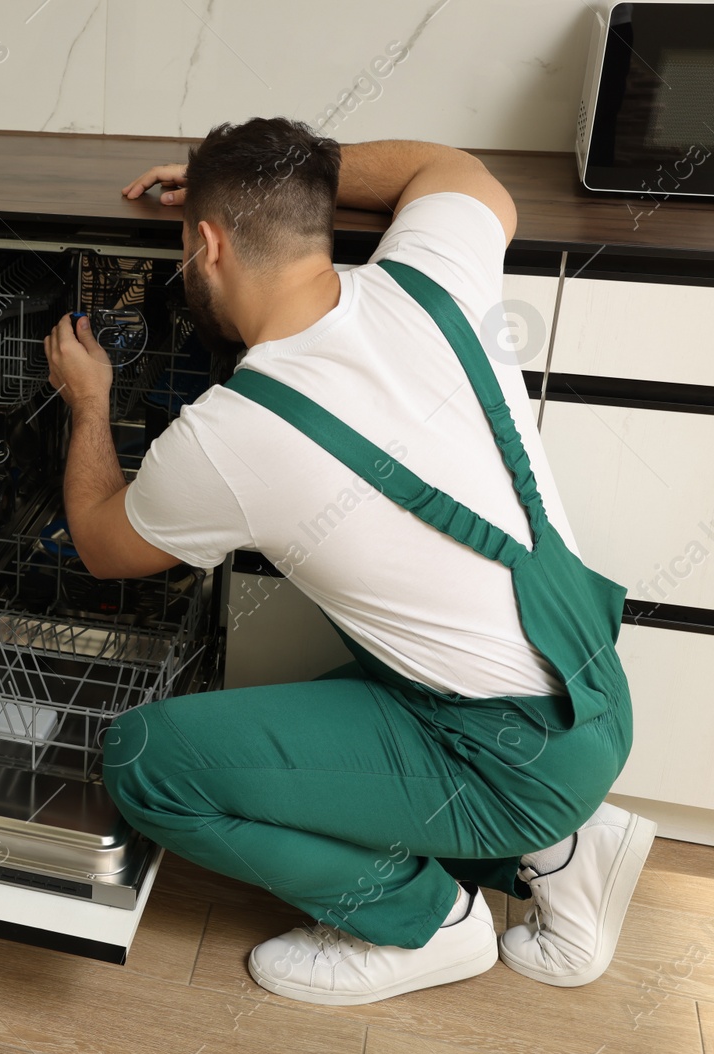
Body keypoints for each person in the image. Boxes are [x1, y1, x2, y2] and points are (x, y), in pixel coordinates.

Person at [43, 117, 654, 1005]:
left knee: (147, 761)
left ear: (206, 244)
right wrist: (263, 178)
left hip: (506, 760)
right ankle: (566, 848)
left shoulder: (230, 434)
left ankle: (424, 923)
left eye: (185, 247)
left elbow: (101, 544)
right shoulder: (431, 272)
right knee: (397, 624)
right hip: (593, 690)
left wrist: (87, 402)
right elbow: (452, 165)